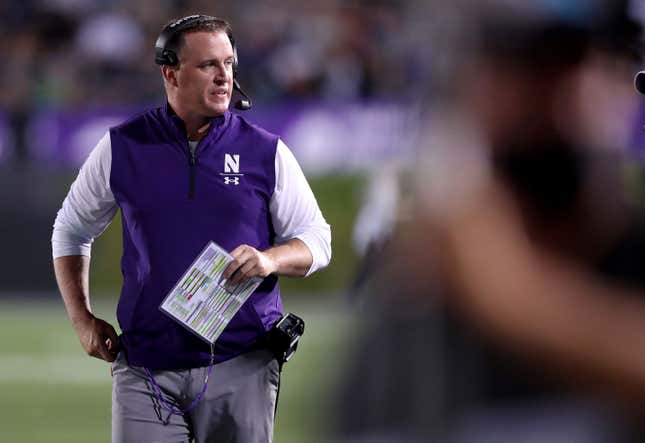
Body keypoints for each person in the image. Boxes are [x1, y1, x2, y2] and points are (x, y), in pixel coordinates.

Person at [51, 15, 331, 443]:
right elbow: (70, 229)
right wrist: (82, 319)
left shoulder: (265, 150)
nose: (224, 77)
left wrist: (268, 259)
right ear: (171, 72)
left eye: (229, 63)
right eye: (208, 66)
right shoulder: (124, 146)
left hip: (243, 362)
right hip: (146, 367)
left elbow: (317, 239)